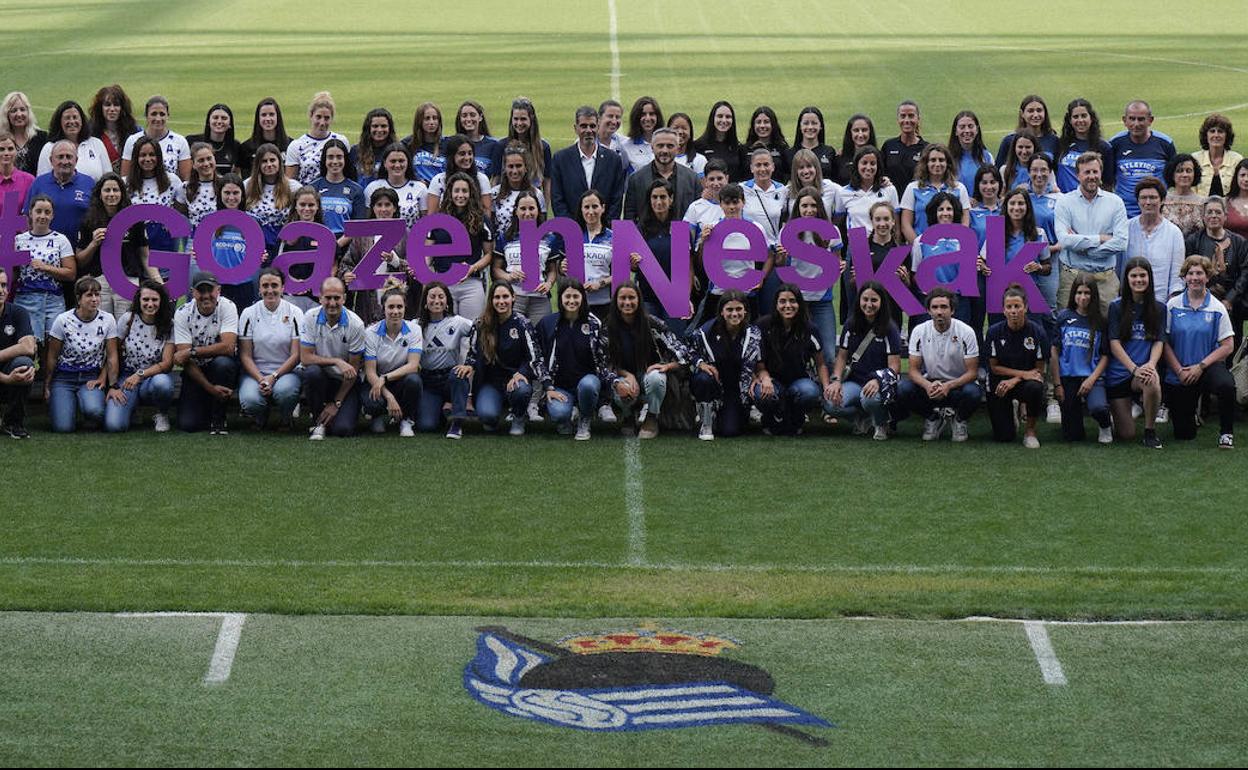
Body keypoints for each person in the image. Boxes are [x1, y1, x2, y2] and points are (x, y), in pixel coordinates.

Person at [1163, 255, 1236, 448]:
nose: (1194, 278)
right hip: (1181, 371)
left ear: (1207, 276)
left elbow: (1228, 345)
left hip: (1207, 366)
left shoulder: (1217, 307)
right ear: (1184, 277)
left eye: (1199, 273)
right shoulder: (1172, 305)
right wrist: (1179, 370)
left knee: (1226, 385)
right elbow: (1164, 343)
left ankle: (1226, 433)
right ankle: (1192, 412)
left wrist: (1201, 366)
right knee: (1184, 434)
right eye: (1190, 273)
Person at [604, 282, 689, 438]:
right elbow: (603, 363)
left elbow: (684, 353)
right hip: (623, 376)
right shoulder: (608, 326)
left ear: (639, 300)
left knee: (656, 377)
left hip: (648, 376)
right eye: (623, 298)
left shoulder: (652, 323)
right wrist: (625, 375)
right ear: (616, 301)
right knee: (619, 384)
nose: (627, 302)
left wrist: (667, 366)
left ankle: (652, 416)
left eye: (632, 298)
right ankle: (628, 416)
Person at [457, 281, 542, 436]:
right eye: (497, 297)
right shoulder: (481, 323)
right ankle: (492, 415)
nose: (501, 301)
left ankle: (518, 417)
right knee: (487, 417)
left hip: (516, 378)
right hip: (491, 382)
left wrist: (522, 372)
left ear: (513, 297)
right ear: (491, 299)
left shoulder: (523, 323)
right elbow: (473, 353)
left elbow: (534, 357)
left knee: (521, 390)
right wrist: (469, 365)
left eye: (505, 297)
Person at [899, 286, 982, 441]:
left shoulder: (966, 332)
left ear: (952, 310)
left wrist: (949, 386)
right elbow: (913, 371)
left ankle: (959, 420)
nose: (939, 312)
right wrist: (927, 385)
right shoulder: (919, 331)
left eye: (944, 307)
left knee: (974, 393)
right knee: (903, 389)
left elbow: (972, 372)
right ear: (928, 311)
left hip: (958, 385)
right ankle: (933, 418)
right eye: (935, 307)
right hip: (931, 384)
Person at [535, 278, 612, 440]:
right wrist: (548, 387)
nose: (571, 301)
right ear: (560, 298)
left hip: (587, 381)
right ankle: (566, 418)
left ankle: (585, 418)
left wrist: (613, 385)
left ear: (583, 298)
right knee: (559, 414)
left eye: (576, 296)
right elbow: (538, 358)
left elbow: (603, 361)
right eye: (567, 296)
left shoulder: (594, 324)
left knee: (588, 386)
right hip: (560, 386)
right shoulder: (548, 323)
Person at [825, 280, 901, 439]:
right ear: (859, 300)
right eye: (865, 299)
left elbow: (894, 366)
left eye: (874, 300)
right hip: (855, 381)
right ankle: (861, 418)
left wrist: (878, 380)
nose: (869, 304)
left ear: (881, 302)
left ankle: (881, 422)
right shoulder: (851, 324)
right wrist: (836, 380)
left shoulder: (889, 328)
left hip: (878, 383)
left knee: (869, 399)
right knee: (830, 403)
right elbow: (842, 357)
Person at [1054, 152, 1128, 313]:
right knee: (1068, 323)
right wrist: (1100, 239)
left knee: (1108, 324)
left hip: (1105, 279)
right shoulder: (1064, 202)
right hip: (1072, 278)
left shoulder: (1115, 202)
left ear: (1101, 173)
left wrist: (1084, 249)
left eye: (1095, 171)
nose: (1092, 176)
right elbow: (1064, 240)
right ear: (1078, 175)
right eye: (1087, 172)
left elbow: (1121, 243)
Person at [75, 172, 155, 318]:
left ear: (122, 193)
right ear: (100, 194)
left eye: (115, 190)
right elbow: (80, 260)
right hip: (100, 280)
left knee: (126, 323)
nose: (111, 194)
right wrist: (94, 244)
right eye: (107, 190)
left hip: (127, 279)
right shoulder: (89, 220)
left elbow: (145, 255)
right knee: (102, 324)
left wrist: (157, 281)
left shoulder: (134, 219)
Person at [752, 283, 826, 437]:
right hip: (772, 380)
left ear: (799, 304)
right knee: (763, 393)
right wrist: (765, 378)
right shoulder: (763, 325)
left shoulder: (809, 329)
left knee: (810, 392)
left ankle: (796, 418)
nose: (788, 306)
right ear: (776, 304)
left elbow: (821, 363)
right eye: (783, 301)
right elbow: (759, 363)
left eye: (792, 301)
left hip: (799, 381)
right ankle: (770, 419)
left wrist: (826, 388)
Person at [1106, 258, 1166, 448]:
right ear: (1127, 279)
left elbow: (1159, 341)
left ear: (1149, 278)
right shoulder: (1116, 307)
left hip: (1142, 372)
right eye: (1134, 276)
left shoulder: (1159, 308)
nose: (1138, 280)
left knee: (1152, 379)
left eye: (1142, 275)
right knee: (1126, 434)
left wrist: (1150, 365)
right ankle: (1124, 408)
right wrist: (1134, 369)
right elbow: (1114, 343)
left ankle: (1150, 431)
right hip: (1119, 374)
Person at [44, 276, 117, 432]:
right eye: (89, 295)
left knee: (95, 411)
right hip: (64, 377)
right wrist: (47, 385)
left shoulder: (108, 320)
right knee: (63, 428)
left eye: (97, 295)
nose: (94, 299)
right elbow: (52, 356)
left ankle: (88, 412)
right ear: (79, 298)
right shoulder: (63, 320)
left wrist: (109, 382)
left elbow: (112, 356)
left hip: (91, 377)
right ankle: (65, 407)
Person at [103, 279, 175, 433]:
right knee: (115, 425)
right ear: (139, 300)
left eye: (155, 300)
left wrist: (140, 375)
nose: (150, 304)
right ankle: (132, 408)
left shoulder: (169, 324)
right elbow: (113, 352)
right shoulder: (127, 319)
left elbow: (167, 363)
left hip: (154, 377)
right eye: (146, 299)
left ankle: (161, 413)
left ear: (161, 301)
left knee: (163, 384)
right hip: (128, 377)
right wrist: (113, 385)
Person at [300, 275, 366, 440]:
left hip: (345, 382)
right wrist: (337, 361)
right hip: (321, 378)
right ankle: (318, 422)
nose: (332, 303)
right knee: (312, 373)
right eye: (328, 298)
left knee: (343, 430)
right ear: (320, 298)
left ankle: (334, 415)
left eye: (337, 298)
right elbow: (305, 358)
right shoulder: (310, 317)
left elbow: (353, 370)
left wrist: (336, 403)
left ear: (344, 298)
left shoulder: (356, 324)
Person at [173, 271, 239, 434]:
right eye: (201, 291)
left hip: (220, 367)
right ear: (192, 292)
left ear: (218, 290)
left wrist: (192, 352)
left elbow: (228, 347)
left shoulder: (228, 306)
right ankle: (208, 403)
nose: (206, 295)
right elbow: (184, 360)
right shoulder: (182, 313)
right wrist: (210, 389)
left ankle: (219, 418)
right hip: (195, 370)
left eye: (210, 290)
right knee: (188, 424)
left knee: (223, 364)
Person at [237, 267, 303, 430]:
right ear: (259, 289)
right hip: (255, 373)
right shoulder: (248, 313)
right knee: (250, 400)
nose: (270, 290)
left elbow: (296, 355)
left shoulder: (295, 312)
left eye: (274, 285)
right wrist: (261, 379)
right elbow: (245, 355)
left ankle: (286, 417)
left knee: (285, 392)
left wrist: (273, 377)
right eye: (265, 286)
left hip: (287, 373)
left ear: (283, 288)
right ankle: (260, 414)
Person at [689, 290, 759, 440]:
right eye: (730, 309)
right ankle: (706, 420)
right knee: (703, 379)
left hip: (736, 389)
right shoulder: (706, 331)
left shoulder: (753, 333)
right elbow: (688, 351)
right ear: (722, 311)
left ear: (745, 311)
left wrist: (757, 375)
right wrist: (700, 363)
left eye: (739, 309)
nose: (734, 314)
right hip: (714, 384)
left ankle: (741, 411)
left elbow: (758, 360)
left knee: (730, 430)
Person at [1050, 274, 1112, 443]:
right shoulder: (1064, 317)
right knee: (1073, 436)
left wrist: (1091, 380)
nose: (1083, 297)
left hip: (1092, 377)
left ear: (1093, 295)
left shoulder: (1100, 321)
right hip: (1068, 377)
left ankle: (1105, 424)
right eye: (1079, 292)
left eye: (1087, 293)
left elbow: (1105, 355)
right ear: (1073, 294)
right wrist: (1057, 384)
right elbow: (1054, 351)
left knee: (1098, 408)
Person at [985, 285, 1047, 448]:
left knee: (1036, 386)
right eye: (1009, 307)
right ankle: (1011, 408)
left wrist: (1016, 379)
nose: (1013, 311)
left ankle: (1030, 432)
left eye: (1017, 306)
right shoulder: (993, 332)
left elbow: (1039, 369)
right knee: (1004, 437)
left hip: (1025, 382)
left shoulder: (1037, 332)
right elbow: (994, 367)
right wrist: (1021, 374)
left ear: (1025, 308)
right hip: (999, 382)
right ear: (1003, 310)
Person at [783, 185, 841, 355]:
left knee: (829, 353)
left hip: (822, 300)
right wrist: (781, 256)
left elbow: (837, 261)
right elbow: (781, 265)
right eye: (804, 206)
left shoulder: (832, 231)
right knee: (797, 352)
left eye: (813, 206)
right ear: (798, 208)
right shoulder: (787, 231)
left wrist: (839, 266)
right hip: (797, 301)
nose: (809, 210)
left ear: (820, 207)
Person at [1185, 196, 1248, 353]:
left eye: (1218, 212)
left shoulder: (1239, 242)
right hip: (1200, 301)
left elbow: (1245, 273)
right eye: (1210, 212)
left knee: (1230, 347)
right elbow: (1188, 271)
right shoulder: (1193, 241)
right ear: (1203, 216)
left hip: (1232, 303)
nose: (1214, 216)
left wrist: (1230, 299)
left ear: (1225, 216)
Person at [427, 172, 493, 322]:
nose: (460, 195)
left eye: (464, 191)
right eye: (456, 191)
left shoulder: (481, 220)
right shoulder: (436, 220)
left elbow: (489, 254)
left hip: (471, 284)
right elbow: (427, 254)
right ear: (450, 193)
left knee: (472, 328)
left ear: (471, 194)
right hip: (443, 284)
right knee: (444, 328)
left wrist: (473, 268)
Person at [634, 178, 695, 334]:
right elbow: (633, 266)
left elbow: (688, 268)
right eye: (654, 197)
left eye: (663, 197)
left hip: (674, 297)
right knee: (650, 342)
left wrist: (685, 297)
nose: (659, 202)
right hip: (647, 297)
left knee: (676, 341)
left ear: (671, 199)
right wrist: (633, 262)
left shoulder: (680, 229)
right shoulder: (640, 229)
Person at [362, 285, 423, 437]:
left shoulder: (415, 330)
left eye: (399, 307)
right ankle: (377, 415)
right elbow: (370, 372)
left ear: (405, 308)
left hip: (399, 380)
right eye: (391, 307)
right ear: (383, 308)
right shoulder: (371, 333)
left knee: (414, 381)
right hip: (376, 381)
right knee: (373, 404)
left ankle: (406, 419)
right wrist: (388, 396)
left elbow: (413, 366)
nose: (395, 311)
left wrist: (385, 378)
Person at [14, 194, 77, 341]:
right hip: (25, 299)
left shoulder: (60, 240)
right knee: (29, 343)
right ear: (30, 213)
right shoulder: (19, 240)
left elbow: (71, 273)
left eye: (47, 212)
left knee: (53, 343)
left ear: (52, 215)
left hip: (53, 300)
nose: (42, 216)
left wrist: (46, 268)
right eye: (38, 211)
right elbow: (14, 273)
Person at [341, 186, 408, 323]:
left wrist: (395, 261)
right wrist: (346, 274)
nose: (383, 209)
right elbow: (346, 263)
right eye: (379, 205)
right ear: (373, 208)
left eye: (387, 205)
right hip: (367, 301)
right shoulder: (362, 235)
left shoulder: (406, 234)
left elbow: (415, 270)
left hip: (396, 300)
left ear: (395, 208)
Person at [416, 281, 472, 438]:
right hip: (429, 381)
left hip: (450, 378)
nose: (436, 301)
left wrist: (469, 363)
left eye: (441, 296)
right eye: (432, 297)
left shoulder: (458, 322)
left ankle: (457, 422)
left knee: (459, 374)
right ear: (425, 301)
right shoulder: (416, 325)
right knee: (426, 426)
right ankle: (438, 414)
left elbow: (479, 331)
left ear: (447, 301)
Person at [842, 200, 910, 330]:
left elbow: (908, 290)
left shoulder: (901, 250)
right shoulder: (860, 249)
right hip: (865, 313)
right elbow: (850, 287)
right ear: (871, 221)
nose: (882, 224)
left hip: (892, 313)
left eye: (886, 219)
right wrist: (855, 280)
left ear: (893, 221)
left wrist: (905, 280)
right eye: (878, 219)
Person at [550, 106, 626, 220]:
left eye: (592, 126)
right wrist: (570, 226)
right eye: (583, 126)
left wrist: (604, 227)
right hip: (572, 227)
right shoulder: (560, 159)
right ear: (575, 128)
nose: (589, 131)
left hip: (603, 227)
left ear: (598, 127)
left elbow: (616, 199)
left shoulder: (613, 159)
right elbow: (557, 199)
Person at [494, 189, 557, 323]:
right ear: (516, 211)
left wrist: (549, 283)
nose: (527, 213)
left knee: (542, 334)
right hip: (514, 297)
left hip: (539, 299)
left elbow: (552, 270)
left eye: (531, 208)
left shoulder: (549, 238)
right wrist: (509, 276)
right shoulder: (505, 237)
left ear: (538, 211)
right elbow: (496, 269)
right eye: (523, 209)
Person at [1111, 100, 1177, 217]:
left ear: (1150, 120)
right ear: (1124, 120)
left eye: (1141, 119)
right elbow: (1108, 178)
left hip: (1157, 212)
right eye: (1132, 119)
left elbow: (1174, 178)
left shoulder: (1165, 143)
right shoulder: (1115, 143)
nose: (1136, 124)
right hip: (1124, 212)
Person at [741, 147, 788, 312]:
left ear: (773, 166)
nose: (762, 169)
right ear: (751, 168)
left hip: (773, 256)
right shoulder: (742, 189)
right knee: (747, 305)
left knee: (769, 303)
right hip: (749, 256)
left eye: (766, 164)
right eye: (758, 165)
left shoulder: (783, 191)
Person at [125, 136, 187, 258]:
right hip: (136, 247)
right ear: (136, 158)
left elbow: (181, 213)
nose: (148, 159)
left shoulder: (172, 180)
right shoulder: (125, 183)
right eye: (143, 155)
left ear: (159, 157)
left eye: (152, 154)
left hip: (163, 246)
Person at [622, 127, 700, 221]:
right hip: (647, 230)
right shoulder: (636, 179)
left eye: (670, 146)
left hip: (680, 230)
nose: (665, 151)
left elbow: (698, 214)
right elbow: (629, 218)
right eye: (660, 146)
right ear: (652, 147)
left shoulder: (692, 179)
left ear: (677, 148)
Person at [27, 141, 94, 248]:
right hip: (45, 249)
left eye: (69, 157)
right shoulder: (38, 183)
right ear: (51, 160)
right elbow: (27, 217)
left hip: (80, 249)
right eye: (60, 157)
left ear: (76, 160)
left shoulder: (89, 183)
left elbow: (96, 216)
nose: (65, 161)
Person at [900, 143, 970, 244]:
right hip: (922, 247)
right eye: (933, 160)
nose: (937, 164)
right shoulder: (913, 188)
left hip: (952, 248)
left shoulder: (959, 188)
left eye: (941, 160)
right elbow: (906, 225)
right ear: (926, 163)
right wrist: (919, 246)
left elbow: (965, 222)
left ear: (948, 163)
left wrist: (956, 244)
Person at [1127, 176, 1184, 299]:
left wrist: (1172, 301)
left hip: (1161, 301)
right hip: (1129, 300)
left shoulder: (1174, 233)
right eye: (1143, 198)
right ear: (1138, 201)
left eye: (1153, 197)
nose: (1148, 202)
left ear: (1162, 200)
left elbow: (1177, 275)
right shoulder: (1126, 229)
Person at [490, 97, 552, 205]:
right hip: (507, 204)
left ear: (531, 119)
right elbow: (495, 179)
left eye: (523, 119)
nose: (519, 123)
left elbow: (547, 182)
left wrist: (545, 206)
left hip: (532, 204)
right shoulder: (501, 146)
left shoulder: (543, 147)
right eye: (516, 119)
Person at [244, 142, 300, 257]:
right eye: (264, 161)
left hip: (283, 244)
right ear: (258, 164)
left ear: (279, 162)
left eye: (272, 160)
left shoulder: (293, 187)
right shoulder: (247, 185)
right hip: (255, 242)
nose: (269, 164)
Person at [565, 189, 614, 319]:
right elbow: (566, 269)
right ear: (581, 210)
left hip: (604, 304)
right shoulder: (573, 237)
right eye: (586, 207)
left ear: (603, 208)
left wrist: (600, 283)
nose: (591, 212)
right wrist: (562, 267)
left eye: (595, 206)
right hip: (577, 303)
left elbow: (621, 274)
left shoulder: (613, 237)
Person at [311, 137, 366, 253]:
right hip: (316, 243)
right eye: (330, 157)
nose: (335, 161)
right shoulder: (313, 187)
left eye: (339, 157)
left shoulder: (356, 190)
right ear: (324, 160)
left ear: (345, 159)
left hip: (345, 247)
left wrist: (337, 245)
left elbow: (358, 225)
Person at [0, 269, 37, 438]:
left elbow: (28, 347)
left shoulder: (18, 312)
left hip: (10, 371)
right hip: (6, 377)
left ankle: (13, 422)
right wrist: (6, 379)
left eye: (3, 285)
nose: (1, 290)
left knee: (25, 365)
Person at [120, 95, 191, 181]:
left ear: (168, 116)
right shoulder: (132, 141)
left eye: (162, 114)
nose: (158, 118)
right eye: (154, 114)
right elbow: (125, 179)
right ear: (146, 116)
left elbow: (186, 180)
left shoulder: (180, 142)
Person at [285, 92, 350, 186]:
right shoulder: (296, 146)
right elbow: (290, 183)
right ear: (311, 116)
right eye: (318, 117)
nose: (322, 122)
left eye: (326, 118)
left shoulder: (341, 141)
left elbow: (348, 173)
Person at [35, 100, 110, 180]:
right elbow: (43, 180)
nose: (72, 121)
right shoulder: (49, 148)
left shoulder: (96, 144)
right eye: (67, 118)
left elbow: (108, 176)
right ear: (59, 122)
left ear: (82, 120)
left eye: (75, 117)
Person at [1055, 98, 1115, 194]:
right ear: (1070, 120)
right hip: (1064, 199)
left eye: (1084, 116)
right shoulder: (1061, 144)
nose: (1080, 120)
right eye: (1075, 117)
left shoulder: (1104, 147)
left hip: (1089, 200)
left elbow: (1108, 184)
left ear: (1091, 118)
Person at [833, 145, 898, 233]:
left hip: (882, 239)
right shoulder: (844, 192)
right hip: (857, 238)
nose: (868, 167)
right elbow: (838, 222)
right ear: (856, 165)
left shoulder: (889, 189)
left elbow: (896, 224)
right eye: (864, 163)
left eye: (872, 163)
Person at [363, 143, 428, 227]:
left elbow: (425, 222)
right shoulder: (372, 188)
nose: (397, 165)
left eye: (401, 161)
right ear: (385, 163)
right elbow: (367, 221)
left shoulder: (420, 188)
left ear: (408, 163)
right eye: (393, 161)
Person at [426, 134, 491, 214]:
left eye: (470, 153)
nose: (467, 158)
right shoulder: (439, 180)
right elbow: (432, 215)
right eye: (462, 154)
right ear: (452, 156)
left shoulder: (481, 179)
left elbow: (486, 211)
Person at [490, 146, 546, 237]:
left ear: (526, 167)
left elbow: (542, 225)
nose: (515, 171)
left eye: (518, 166)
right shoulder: (494, 193)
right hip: (502, 244)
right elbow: (491, 226)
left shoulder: (537, 194)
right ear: (504, 169)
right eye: (510, 166)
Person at [995, 95, 1060, 165]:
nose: (1035, 115)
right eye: (1030, 111)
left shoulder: (1054, 140)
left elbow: (1057, 168)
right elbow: (998, 168)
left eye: (1039, 110)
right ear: (1022, 114)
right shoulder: (1009, 141)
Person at [88, 85, 138, 172]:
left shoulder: (133, 131)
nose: (112, 109)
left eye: (116, 105)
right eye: (107, 105)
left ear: (122, 108)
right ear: (100, 107)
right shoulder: (90, 133)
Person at [693, 101, 746, 182]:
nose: (724, 120)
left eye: (728, 117)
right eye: (720, 116)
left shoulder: (738, 148)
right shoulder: (698, 146)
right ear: (713, 118)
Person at [238, 98, 291, 177]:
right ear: (258, 118)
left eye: (271, 114)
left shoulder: (290, 145)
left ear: (278, 117)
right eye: (263, 115)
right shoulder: (246, 148)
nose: (268, 119)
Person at [881, 101, 928, 188]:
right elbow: (880, 173)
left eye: (911, 116)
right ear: (898, 119)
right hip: (892, 196)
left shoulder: (927, 149)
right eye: (903, 116)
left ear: (918, 119)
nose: (906, 120)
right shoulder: (888, 146)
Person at [186, 103, 241, 176]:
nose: (219, 121)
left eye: (224, 118)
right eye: (215, 117)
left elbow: (235, 174)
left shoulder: (235, 146)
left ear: (230, 123)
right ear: (209, 121)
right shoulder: (192, 141)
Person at [1193, 114, 1241, 197]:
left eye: (1220, 131)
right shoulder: (1195, 159)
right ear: (1206, 135)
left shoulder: (1237, 160)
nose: (1216, 135)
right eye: (1212, 131)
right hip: (1200, 204)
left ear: (1227, 136)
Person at [790, 106, 839, 184]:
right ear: (800, 126)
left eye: (814, 123)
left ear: (820, 126)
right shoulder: (789, 153)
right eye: (806, 123)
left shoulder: (829, 151)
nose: (810, 127)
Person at [1, 91, 47, 174]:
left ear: (28, 112)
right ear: (7, 114)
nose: (19, 114)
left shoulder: (42, 138)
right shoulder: (1, 138)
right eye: (14, 111)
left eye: (22, 109)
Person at [949, 110, 993, 194]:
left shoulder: (987, 157)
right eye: (962, 127)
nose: (967, 131)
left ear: (977, 129)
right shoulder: (947, 158)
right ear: (956, 131)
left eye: (970, 126)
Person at [1160, 154, 1205, 235]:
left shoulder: (1203, 202)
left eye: (1189, 171)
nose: (1185, 175)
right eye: (1179, 171)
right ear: (1172, 174)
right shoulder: (1162, 201)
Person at [452, 100, 498, 177]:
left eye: (472, 115)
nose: (468, 119)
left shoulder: (493, 145)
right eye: (464, 116)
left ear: (480, 117)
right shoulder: (452, 143)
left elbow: (496, 175)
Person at [350, 107, 397, 184]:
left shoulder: (396, 151)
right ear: (368, 128)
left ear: (390, 128)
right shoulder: (355, 151)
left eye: (383, 126)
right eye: (375, 126)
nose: (379, 130)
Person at [745, 106, 790, 183]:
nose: (762, 126)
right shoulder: (745, 149)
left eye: (766, 122)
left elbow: (787, 174)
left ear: (773, 124)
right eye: (758, 122)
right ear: (753, 125)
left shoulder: (782, 148)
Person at [620, 96, 663, 173]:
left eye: (651, 114)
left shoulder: (666, 144)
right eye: (643, 114)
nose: (648, 118)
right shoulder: (626, 147)